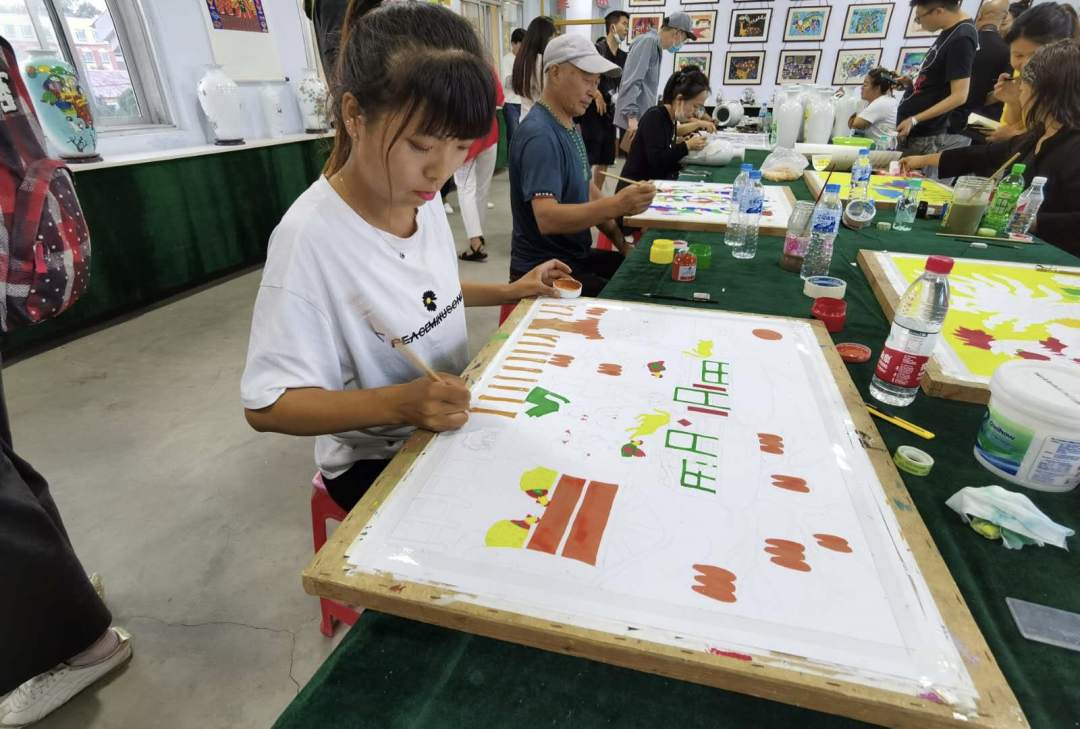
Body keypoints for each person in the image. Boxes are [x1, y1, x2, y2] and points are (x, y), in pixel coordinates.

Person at [241, 1, 572, 512]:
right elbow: (267, 404)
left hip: (445, 423)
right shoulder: (310, 238)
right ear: (354, 115)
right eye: (421, 145)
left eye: (462, 146)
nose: (441, 170)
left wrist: (513, 289)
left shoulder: (421, 196)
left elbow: (426, 297)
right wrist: (399, 402)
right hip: (375, 457)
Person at [509, 33, 656, 298]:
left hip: (575, 258)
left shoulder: (567, 123)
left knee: (644, 275)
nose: (593, 90)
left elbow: (586, 188)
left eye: (597, 82)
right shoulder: (540, 134)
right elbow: (547, 218)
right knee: (637, 295)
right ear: (554, 73)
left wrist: (621, 242)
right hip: (544, 271)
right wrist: (618, 204)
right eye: (587, 80)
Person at [901, 39, 1080, 255]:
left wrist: (1028, 220)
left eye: (1023, 90)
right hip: (1021, 245)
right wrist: (921, 161)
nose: (1021, 98)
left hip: (1060, 258)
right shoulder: (1038, 134)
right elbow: (982, 155)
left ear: (1042, 93)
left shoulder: (1073, 146)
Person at [895, 0, 978, 175]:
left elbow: (959, 95)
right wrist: (912, 83)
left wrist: (915, 119)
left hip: (930, 136)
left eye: (919, 18)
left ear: (938, 11)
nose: (920, 24)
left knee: (916, 193)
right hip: (919, 134)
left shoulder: (962, 38)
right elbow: (937, 82)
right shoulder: (950, 32)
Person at [987, 2, 1079, 143]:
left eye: (1034, 55)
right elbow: (1013, 125)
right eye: (1017, 55)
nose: (1024, 64)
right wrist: (1013, 102)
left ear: (1059, 51)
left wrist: (1016, 138)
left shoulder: (1068, 83)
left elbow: (1059, 135)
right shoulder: (1021, 75)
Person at [618, 68, 712, 189]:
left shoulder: (670, 119)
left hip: (649, 185)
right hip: (633, 190)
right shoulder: (655, 117)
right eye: (695, 106)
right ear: (679, 99)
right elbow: (657, 162)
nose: (696, 113)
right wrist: (686, 146)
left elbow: (665, 151)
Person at [613, 13, 696, 147]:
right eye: (684, 39)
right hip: (634, 119)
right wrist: (631, 117)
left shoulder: (655, 46)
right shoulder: (648, 42)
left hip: (641, 117)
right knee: (637, 165)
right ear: (678, 33)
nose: (682, 43)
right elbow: (632, 80)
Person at [576, 11, 629, 188]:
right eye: (624, 24)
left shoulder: (624, 57)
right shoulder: (597, 50)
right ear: (613, 26)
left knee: (606, 158)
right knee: (589, 157)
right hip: (593, 111)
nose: (627, 29)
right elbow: (585, 76)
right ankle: (583, 195)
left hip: (611, 114)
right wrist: (597, 94)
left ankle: (596, 196)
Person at [456, 67, 504, 262]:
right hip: (489, 133)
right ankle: (479, 235)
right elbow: (500, 100)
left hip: (464, 139)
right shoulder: (487, 69)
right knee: (482, 189)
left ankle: (475, 241)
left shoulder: (453, 71)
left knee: (466, 188)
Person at [947, 0, 1011, 143]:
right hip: (978, 125)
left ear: (980, 14)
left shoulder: (960, 41)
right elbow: (1002, 93)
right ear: (1005, 17)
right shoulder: (1007, 52)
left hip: (945, 117)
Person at [512, 16, 557, 121]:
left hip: (525, 118)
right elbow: (549, 94)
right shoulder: (541, 61)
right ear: (545, 38)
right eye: (553, 37)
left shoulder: (521, 59)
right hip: (541, 121)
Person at [848, 68, 900, 142]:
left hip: (885, 148)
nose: (861, 88)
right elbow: (851, 126)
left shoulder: (882, 102)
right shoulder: (875, 102)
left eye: (865, 85)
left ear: (877, 88)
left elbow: (855, 124)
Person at [502, 27, 525, 144]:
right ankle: (513, 162)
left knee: (525, 136)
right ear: (513, 44)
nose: (523, 49)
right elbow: (508, 82)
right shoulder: (507, 59)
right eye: (521, 45)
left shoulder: (526, 59)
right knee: (514, 137)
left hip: (525, 103)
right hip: (511, 104)